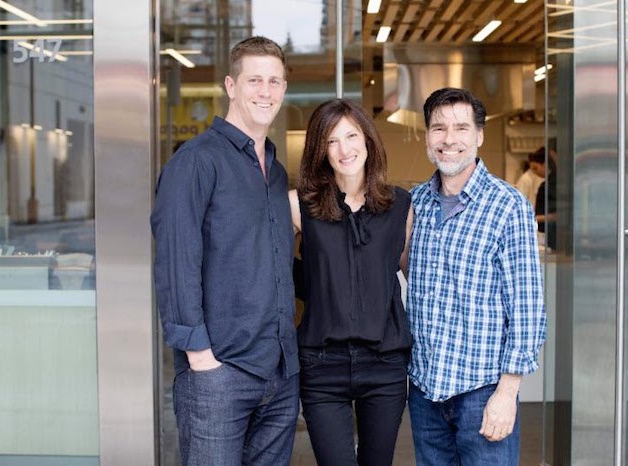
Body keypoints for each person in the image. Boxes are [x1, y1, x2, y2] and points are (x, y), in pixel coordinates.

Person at [150, 36, 299, 466]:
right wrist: (201, 358)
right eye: (255, 80)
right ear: (231, 86)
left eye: (274, 81)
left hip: (278, 373)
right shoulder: (196, 161)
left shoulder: (275, 171)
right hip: (220, 375)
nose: (265, 91)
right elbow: (176, 260)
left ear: (285, 89)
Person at [406, 87, 547, 465]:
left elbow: (527, 308)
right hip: (425, 391)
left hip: (482, 394)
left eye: (461, 128)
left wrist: (507, 392)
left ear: (479, 136)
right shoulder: (416, 203)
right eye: (438, 128)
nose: (449, 139)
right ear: (426, 137)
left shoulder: (508, 206)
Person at [289, 98, 413, 466]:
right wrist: (315, 285)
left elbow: (414, 277)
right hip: (321, 364)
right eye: (331, 141)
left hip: (385, 363)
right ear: (319, 150)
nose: (344, 149)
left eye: (351, 135)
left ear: (368, 139)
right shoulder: (298, 206)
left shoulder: (400, 206)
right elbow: (272, 272)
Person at [534, 145, 557, 250]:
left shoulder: (551, 185)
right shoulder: (548, 184)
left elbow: (557, 215)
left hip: (553, 232)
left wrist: (537, 218)